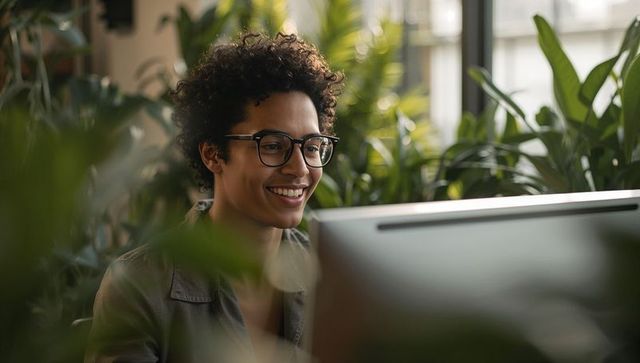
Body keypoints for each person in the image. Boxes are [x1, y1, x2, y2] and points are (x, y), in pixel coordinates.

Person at [84, 32, 343, 363]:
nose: (300, 168)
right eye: (274, 146)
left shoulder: (333, 279)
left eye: (311, 147)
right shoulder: (141, 285)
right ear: (213, 154)